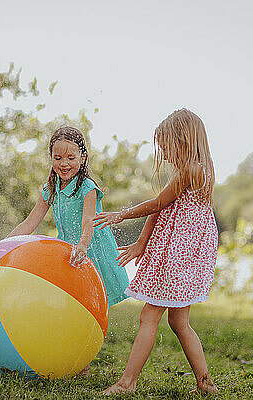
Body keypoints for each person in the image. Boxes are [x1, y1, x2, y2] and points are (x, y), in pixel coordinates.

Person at [93, 109, 219, 395]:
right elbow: (163, 206)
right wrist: (140, 243)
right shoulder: (197, 167)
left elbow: (158, 202)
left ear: (183, 140)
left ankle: (127, 382)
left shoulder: (193, 170)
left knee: (149, 316)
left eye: (167, 147)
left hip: (181, 253)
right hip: (185, 253)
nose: (165, 154)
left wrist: (122, 214)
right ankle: (205, 383)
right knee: (178, 320)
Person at [8, 126, 130, 373]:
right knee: (67, 303)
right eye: (58, 157)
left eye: (71, 158)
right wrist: (4, 246)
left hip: (92, 250)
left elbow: (88, 222)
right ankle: (68, 353)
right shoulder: (50, 189)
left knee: (89, 308)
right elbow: (30, 223)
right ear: (50, 157)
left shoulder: (87, 188)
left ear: (82, 157)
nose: (64, 163)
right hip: (68, 252)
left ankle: (82, 362)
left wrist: (83, 246)